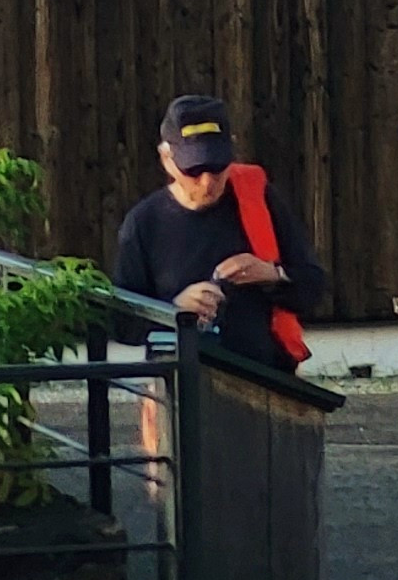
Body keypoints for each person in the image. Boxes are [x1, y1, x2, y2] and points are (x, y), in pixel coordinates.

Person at [111, 94, 329, 373]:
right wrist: (174, 310)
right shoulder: (143, 223)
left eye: (217, 168)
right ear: (166, 159)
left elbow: (314, 287)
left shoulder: (257, 199)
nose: (207, 182)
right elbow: (121, 324)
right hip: (182, 384)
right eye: (194, 170)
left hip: (263, 380)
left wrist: (272, 274)